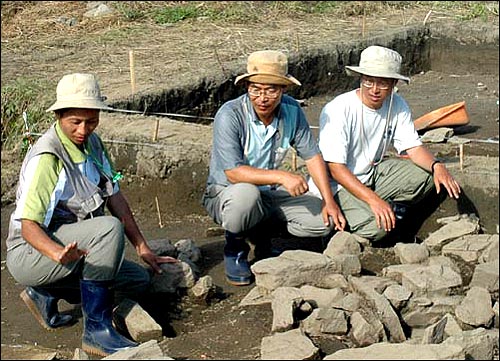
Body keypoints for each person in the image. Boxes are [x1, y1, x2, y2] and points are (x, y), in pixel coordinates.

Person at [5, 73, 177, 357]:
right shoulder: (48, 157)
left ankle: (45, 293)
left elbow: (115, 197)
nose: (84, 129)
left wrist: (143, 247)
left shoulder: (94, 145)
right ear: (60, 116)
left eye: (91, 120)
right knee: (108, 230)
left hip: (72, 247)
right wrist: (56, 253)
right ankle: (97, 331)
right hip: (30, 253)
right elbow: (28, 227)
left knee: (137, 280)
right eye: (76, 122)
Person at [202, 50, 346, 286]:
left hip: (267, 193)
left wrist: (329, 201)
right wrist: (281, 176)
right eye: (256, 89)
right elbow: (233, 172)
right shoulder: (230, 115)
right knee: (245, 195)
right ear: (247, 87)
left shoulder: (291, 111)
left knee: (323, 222)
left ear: (283, 90)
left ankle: (261, 238)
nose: (263, 97)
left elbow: (312, 156)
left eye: (271, 90)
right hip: (227, 193)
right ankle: (235, 248)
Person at [308, 45, 461, 242]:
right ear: (360, 78)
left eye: (382, 84)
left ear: (394, 83)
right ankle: (345, 228)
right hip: (337, 187)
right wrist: (374, 200)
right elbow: (336, 168)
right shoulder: (339, 109)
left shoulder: (396, 104)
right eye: (369, 81)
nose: (374, 90)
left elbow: (413, 147)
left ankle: (374, 207)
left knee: (429, 176)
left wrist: (437, 166)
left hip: (370, 176)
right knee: (381, 228)